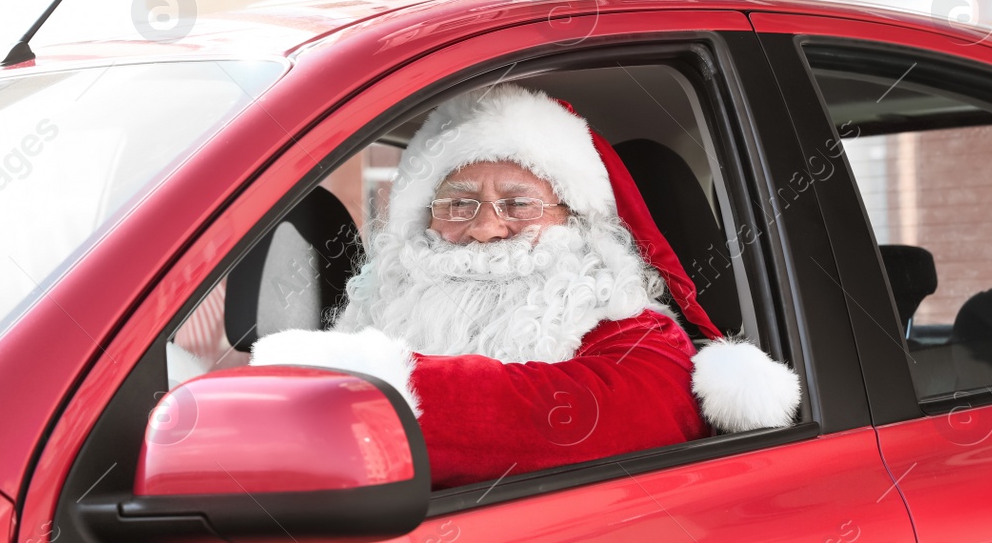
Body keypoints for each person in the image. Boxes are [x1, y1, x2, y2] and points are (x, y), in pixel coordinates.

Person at [250, 84, 802, 489]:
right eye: (458, 203)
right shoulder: (384, 306)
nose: (486, 228)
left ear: (577, 221)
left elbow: (621, 412)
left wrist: (363, 394)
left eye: (517, 204)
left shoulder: (632, 326)